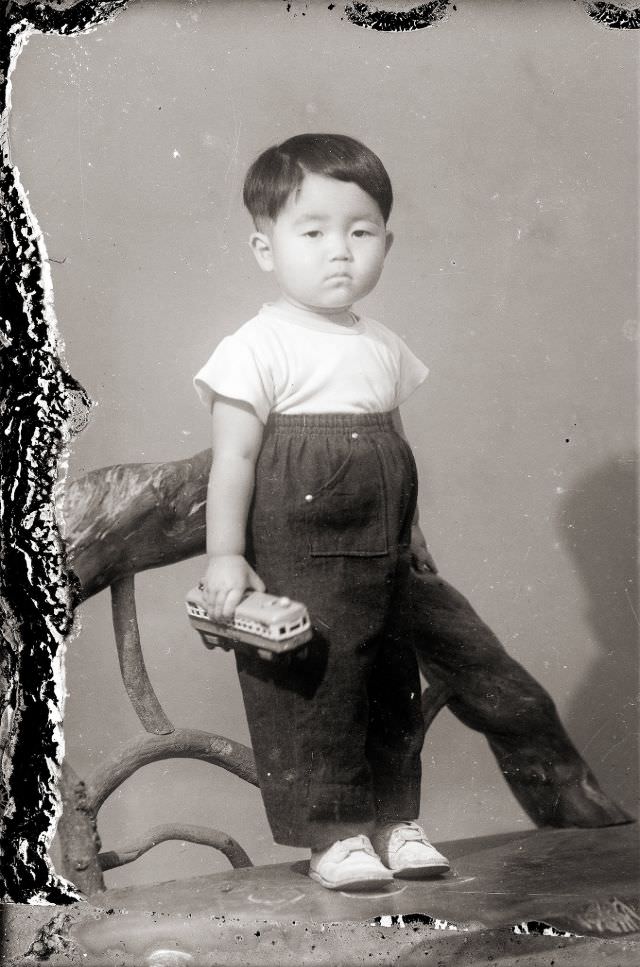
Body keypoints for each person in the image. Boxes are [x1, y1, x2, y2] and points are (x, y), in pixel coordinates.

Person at [194, 133, 450, 891]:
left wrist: (413, 529)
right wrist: (224, 554)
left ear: (386, 243)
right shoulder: (256, 347)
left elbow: (390, 440)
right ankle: (333, 834)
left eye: (360, 232)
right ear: (265, 247)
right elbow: (233, 459)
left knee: (391, 681)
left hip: (383, 549)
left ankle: (397, 818)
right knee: (319, 688)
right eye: (313, 232)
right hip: (300, 549)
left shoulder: (383, 345)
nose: (340, 251)